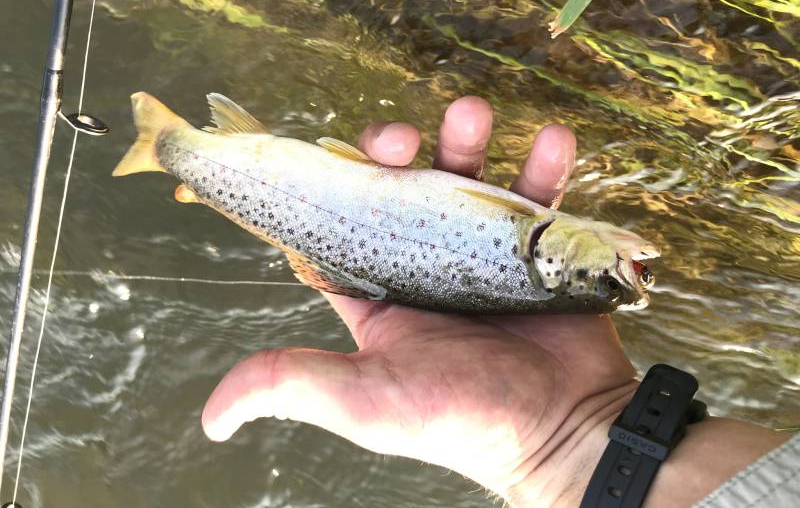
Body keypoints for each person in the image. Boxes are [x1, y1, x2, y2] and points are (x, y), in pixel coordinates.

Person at [200, 97, 799, 506]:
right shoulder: (536, 274)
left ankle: (192, 152)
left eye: (603, 284)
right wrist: (574, 443)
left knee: (371, 155)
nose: (617, 279)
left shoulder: (541, 250)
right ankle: (203, 153)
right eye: (607, 284)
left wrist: (569, 445)